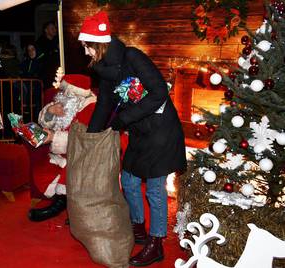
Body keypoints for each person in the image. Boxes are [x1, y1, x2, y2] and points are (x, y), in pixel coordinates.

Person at [78, 11, 187, 266]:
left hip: (162, 130)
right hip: (139, 131)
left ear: (99, 44)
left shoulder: (132, 57)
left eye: (87, 47)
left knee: (155, 190)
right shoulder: (103, 68)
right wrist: (92, 138)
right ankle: (137, 227)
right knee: (128, 180)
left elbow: (159, 92)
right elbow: (104, 105)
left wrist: (124, 120)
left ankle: (156, 242)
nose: (85, 52)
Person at [28, 73, 97, 222]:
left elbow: (82, 140)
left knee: (71, 170)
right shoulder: (65, 102)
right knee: (48, 169)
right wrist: (50, 113)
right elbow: (46, 123)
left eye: (68, 91)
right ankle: (64, 205)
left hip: (84, 155)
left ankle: (61, 206)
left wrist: (53, 137)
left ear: (78, 93)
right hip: (62, 154)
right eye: (63, 90)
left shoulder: (91, 108)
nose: (63, 94)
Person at [35, 21, 60, 89]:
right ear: (46, 30)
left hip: (56, 74)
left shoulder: (57, 41)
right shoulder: (40, 43)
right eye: (52, 28)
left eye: (55, 28)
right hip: (45, 75)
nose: (55, 30)